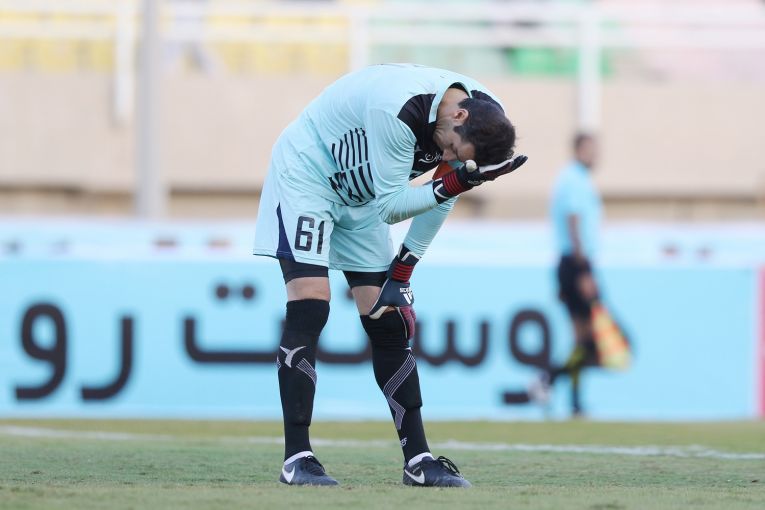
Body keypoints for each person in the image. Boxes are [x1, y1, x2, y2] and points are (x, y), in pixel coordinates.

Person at [253, 64, 527, 487]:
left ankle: (418, 461)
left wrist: (403, 272)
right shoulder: (398, 108)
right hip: (309, 175)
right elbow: (393, 206)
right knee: (311, 303)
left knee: (388, 320)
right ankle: (297, 459)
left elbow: (441, 195)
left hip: (364, 195)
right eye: (453, 148)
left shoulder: (486, 119)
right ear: (458, 116)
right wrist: (455, 182)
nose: (449, 158)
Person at [540, 132, 602, 417]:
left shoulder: (576, 179)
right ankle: (548, 380)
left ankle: (576, 403)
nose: (595, 155)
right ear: (577, 150)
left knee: (580, 341)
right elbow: (574, 222)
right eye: (590, 149)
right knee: (587, 341)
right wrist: (584, 271)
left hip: (571, 264)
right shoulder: (574, 179)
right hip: (575, 264)